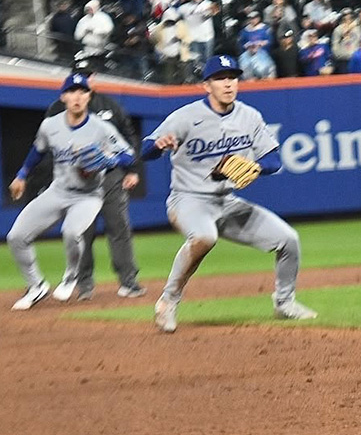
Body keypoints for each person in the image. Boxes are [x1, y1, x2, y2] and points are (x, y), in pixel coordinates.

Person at [141, 55, 318, 333]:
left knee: (288, 240)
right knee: (204, 237)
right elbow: (146, 149)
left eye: (232, 77)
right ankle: (168, 301)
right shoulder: (186, 116)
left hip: (227, 202)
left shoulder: (249, 116)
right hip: (188, 199)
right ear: (206, 85)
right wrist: (158, 145)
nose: (228, 84)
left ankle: (284, 302)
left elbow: (273, 160)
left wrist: (256, 167)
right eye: (220, 78)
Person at [6, 73, 135, 310]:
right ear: (63, 97)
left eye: (82, 91)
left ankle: (71, 277)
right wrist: (22, 175)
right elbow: (38, 150)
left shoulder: (101, 128)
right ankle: (36, 287)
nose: (77, 96)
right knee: (16, 237)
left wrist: (107, 160)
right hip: (59, 191)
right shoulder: (50, 125)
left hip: (88, 196)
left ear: (89, 96)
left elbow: (128, 155)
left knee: (72, 232)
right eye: (72, 91)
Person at [41, 64, 146, 299]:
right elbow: (45, 144)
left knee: (119, 227)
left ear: (93, 79)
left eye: (86, 77)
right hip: (76, 182)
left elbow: (128, 137)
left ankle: (128, 281)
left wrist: (133, 170)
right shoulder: (58, 109)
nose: (82, 83)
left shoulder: (109, 105)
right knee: (81, 232)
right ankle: (84, 285)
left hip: (109, 177)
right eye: (77, 78)